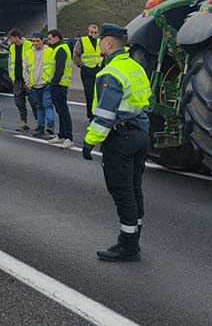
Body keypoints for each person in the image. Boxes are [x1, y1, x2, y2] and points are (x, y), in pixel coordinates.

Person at [82, 24, 151, 262]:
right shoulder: (135, 67)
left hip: (121, 138)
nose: (100, 44)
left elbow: (105, 114)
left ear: (109, 43)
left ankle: (128, 246)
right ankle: (134, 236)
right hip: (140, 134)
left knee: (122, 192)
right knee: (134, 188)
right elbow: (145, 101)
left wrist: (89, 141)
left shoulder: (111, 73)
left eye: (102, 40)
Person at [23, 33, 57, 138]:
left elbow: (53, 67)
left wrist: (50, 81)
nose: (35, 43)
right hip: (34, 84)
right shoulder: (28, 53)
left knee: (47, 105)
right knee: (39, 106)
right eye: (33, 41)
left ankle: (50, 125)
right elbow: (25, 69)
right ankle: (40, 127)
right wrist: (28, 83)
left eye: (37, 41)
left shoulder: (50, 51)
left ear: (43, 41)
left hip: (46, 83)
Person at [45, 29, 74, 149]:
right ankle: (62, 135)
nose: (49, 41)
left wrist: (53, 83)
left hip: (59, 85)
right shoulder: (58, 48)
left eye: (50, 39)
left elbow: (59, 69)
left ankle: (69, 137)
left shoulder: (61, 49)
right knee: (60, 111)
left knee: (63, 111)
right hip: (58, 84)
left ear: (56, 38)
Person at [73, 24, 103, 120]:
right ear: (88, 32)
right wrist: (81, 65)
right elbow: (76, 54)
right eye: (92, 32)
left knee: (99, 93)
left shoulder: (100, 41)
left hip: (98, 69)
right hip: (87, 71)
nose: (93, 34)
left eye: (95, 32)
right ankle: (91, 114)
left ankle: (98, 113)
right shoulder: (82, 41)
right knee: (89, 94)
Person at [7, 30, 33, 131]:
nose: (10, 41)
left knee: (34, 101)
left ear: (16, 37)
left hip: (29, 79)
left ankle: (40, 123)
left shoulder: (29, 45)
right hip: (17, 79)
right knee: (19, 102)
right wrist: (11, 76)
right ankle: (24, 122)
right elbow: (10, 63)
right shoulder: (12, 48)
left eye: (11, 38)